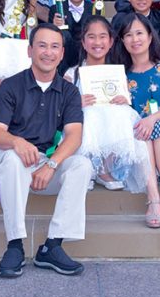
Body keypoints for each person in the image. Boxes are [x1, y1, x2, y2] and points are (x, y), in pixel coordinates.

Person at [0, 24, 92, 278]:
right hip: (2, 163)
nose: (48, 52)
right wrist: (15, 142)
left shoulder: (69, 91)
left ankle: (53, 246)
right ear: (30, 50)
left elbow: (74, 136)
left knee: (82, 165)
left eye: (55, 46)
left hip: (43, 164)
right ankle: (15, 246)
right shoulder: (10, 86)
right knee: (12, 159)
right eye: (42, 45)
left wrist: (52, 164)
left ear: (63, 53)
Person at [64, 15, 151, 195]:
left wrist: (124, 100)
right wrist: (75, 103)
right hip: (81, 125)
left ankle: (105, 168)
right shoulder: (72, 73)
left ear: (111, 42)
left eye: (103, 36)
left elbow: (128, 101)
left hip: (109, 123)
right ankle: (87, 167)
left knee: (122, 111)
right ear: (83, 41)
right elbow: (59, 106)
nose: (98, 42)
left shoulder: (118, 74)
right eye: (92, 37)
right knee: (88, 113)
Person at [114, 13, 160, 229]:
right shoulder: (121, 75)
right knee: (141, 130)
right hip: (137, 134)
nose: (134, 39)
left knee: (157, 126)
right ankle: (153, 199)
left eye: (139, 33)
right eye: (128, 35)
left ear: (149, 36)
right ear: (122, 41)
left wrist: (151, 120)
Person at [49, 0, 93, 73]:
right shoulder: (56, 9)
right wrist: (55, 27)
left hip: (87, 55)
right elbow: (50, 36)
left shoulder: (94, 9)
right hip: (64, 58)